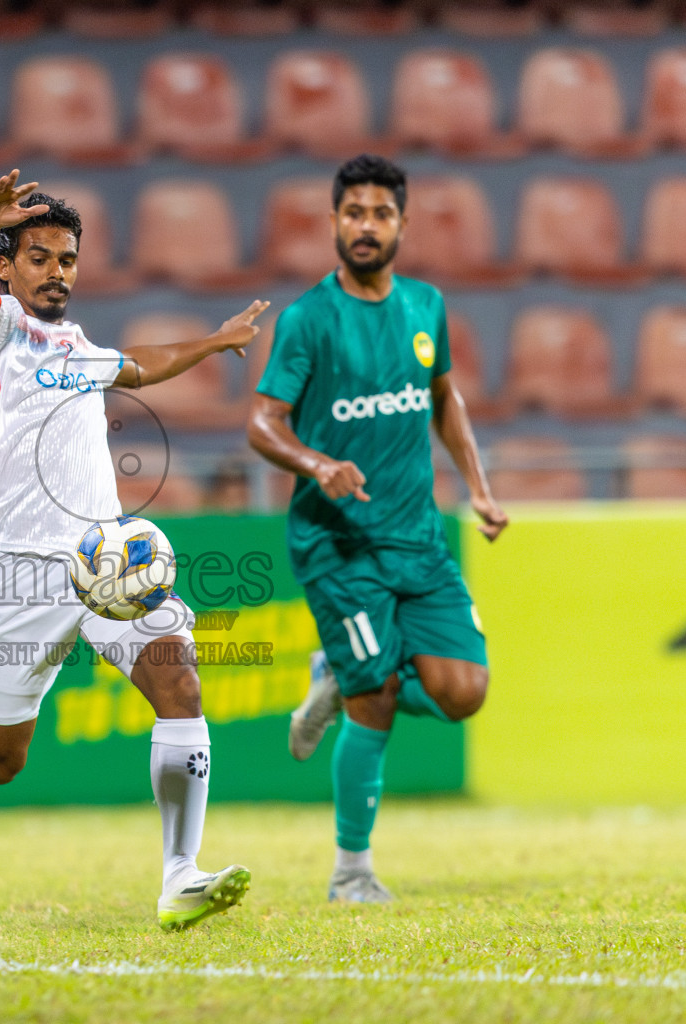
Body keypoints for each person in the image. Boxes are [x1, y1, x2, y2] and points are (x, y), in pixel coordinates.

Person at [0, 169, 266, 931]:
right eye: (40, 257)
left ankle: (181, 874)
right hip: (17, 573)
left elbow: (142, 363)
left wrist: (213, 342)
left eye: (68, 259)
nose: (57, 272)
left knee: (179, 684)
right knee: (3, 761)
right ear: (8, 268)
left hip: (106, 560)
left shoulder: (78, 347)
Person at [246, 154, 508, 903]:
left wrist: (480, 491)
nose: (366, 226)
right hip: (339, 546)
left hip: (418, 540)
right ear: (333, 222)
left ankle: (339, 673)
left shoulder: (426, 307)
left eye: (381, 213)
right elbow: (263, 423)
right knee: (379, 701)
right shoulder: (307, 321)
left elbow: (444, 398)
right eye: (353, 212)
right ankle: (350, 872)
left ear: (402, 224)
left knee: (464, 692)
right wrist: (315, 462)